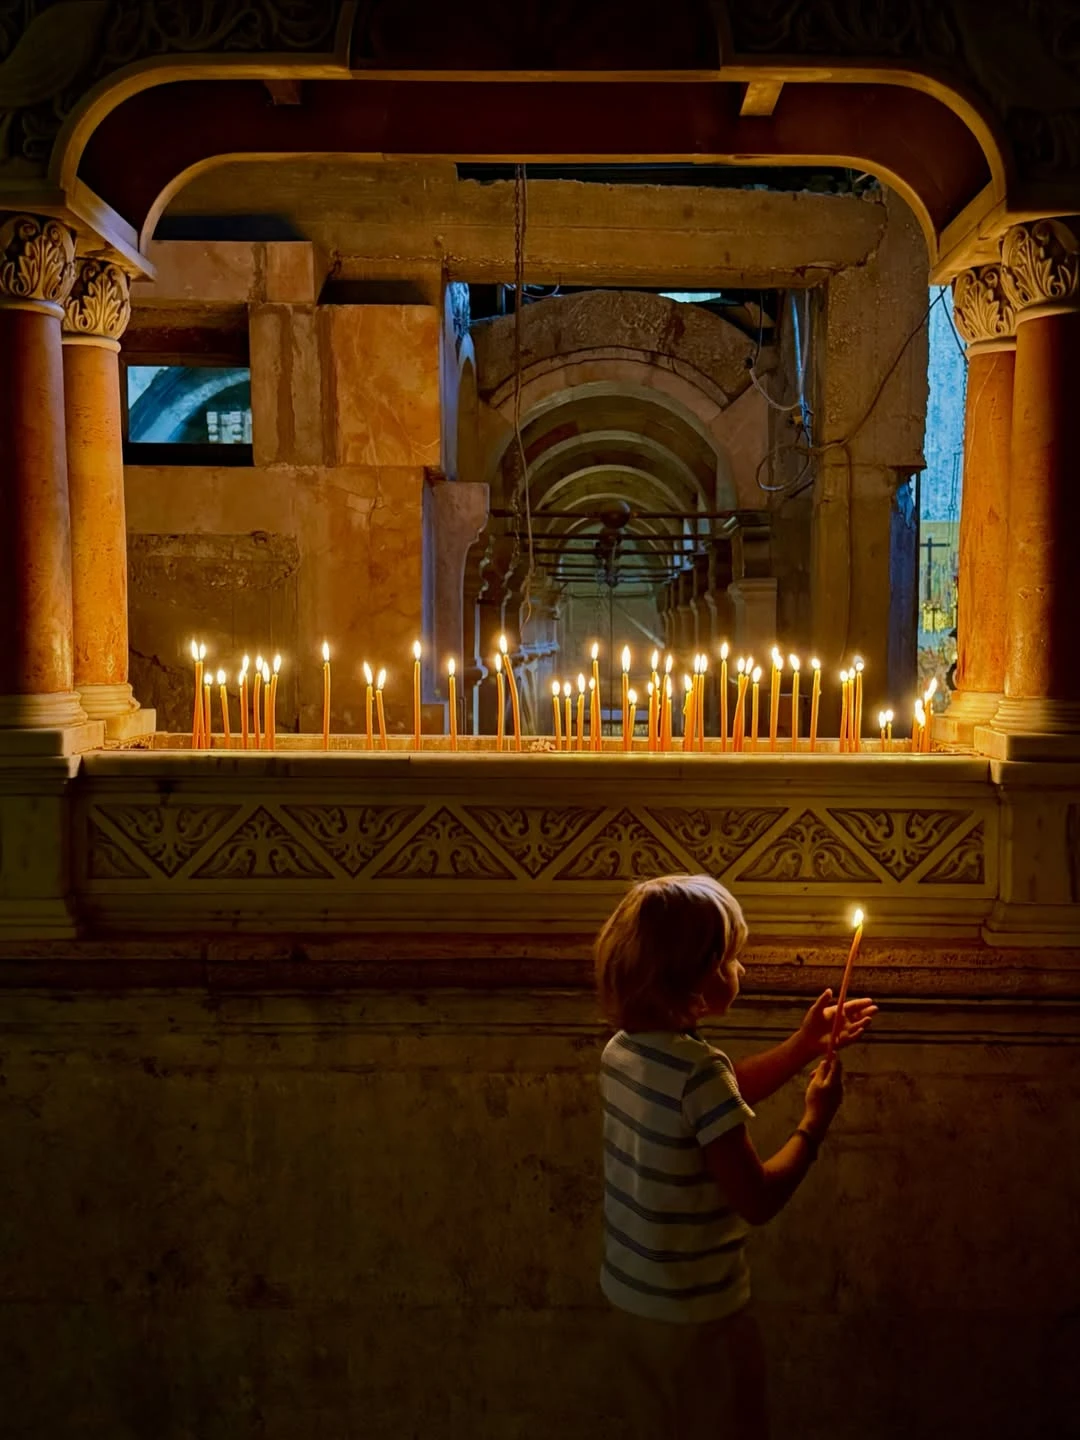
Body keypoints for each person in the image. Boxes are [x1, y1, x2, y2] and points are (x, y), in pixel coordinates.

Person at [595, 874, 877, 1438]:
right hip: (700, 1321)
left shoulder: (622, 1051)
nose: (741, 970)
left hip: (632, 1302)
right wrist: (814, 1123)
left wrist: (801, 1047)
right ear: (691, 985)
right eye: (729, 961)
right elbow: (757, 1197)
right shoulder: (699, 1073)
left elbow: (712, 1102)